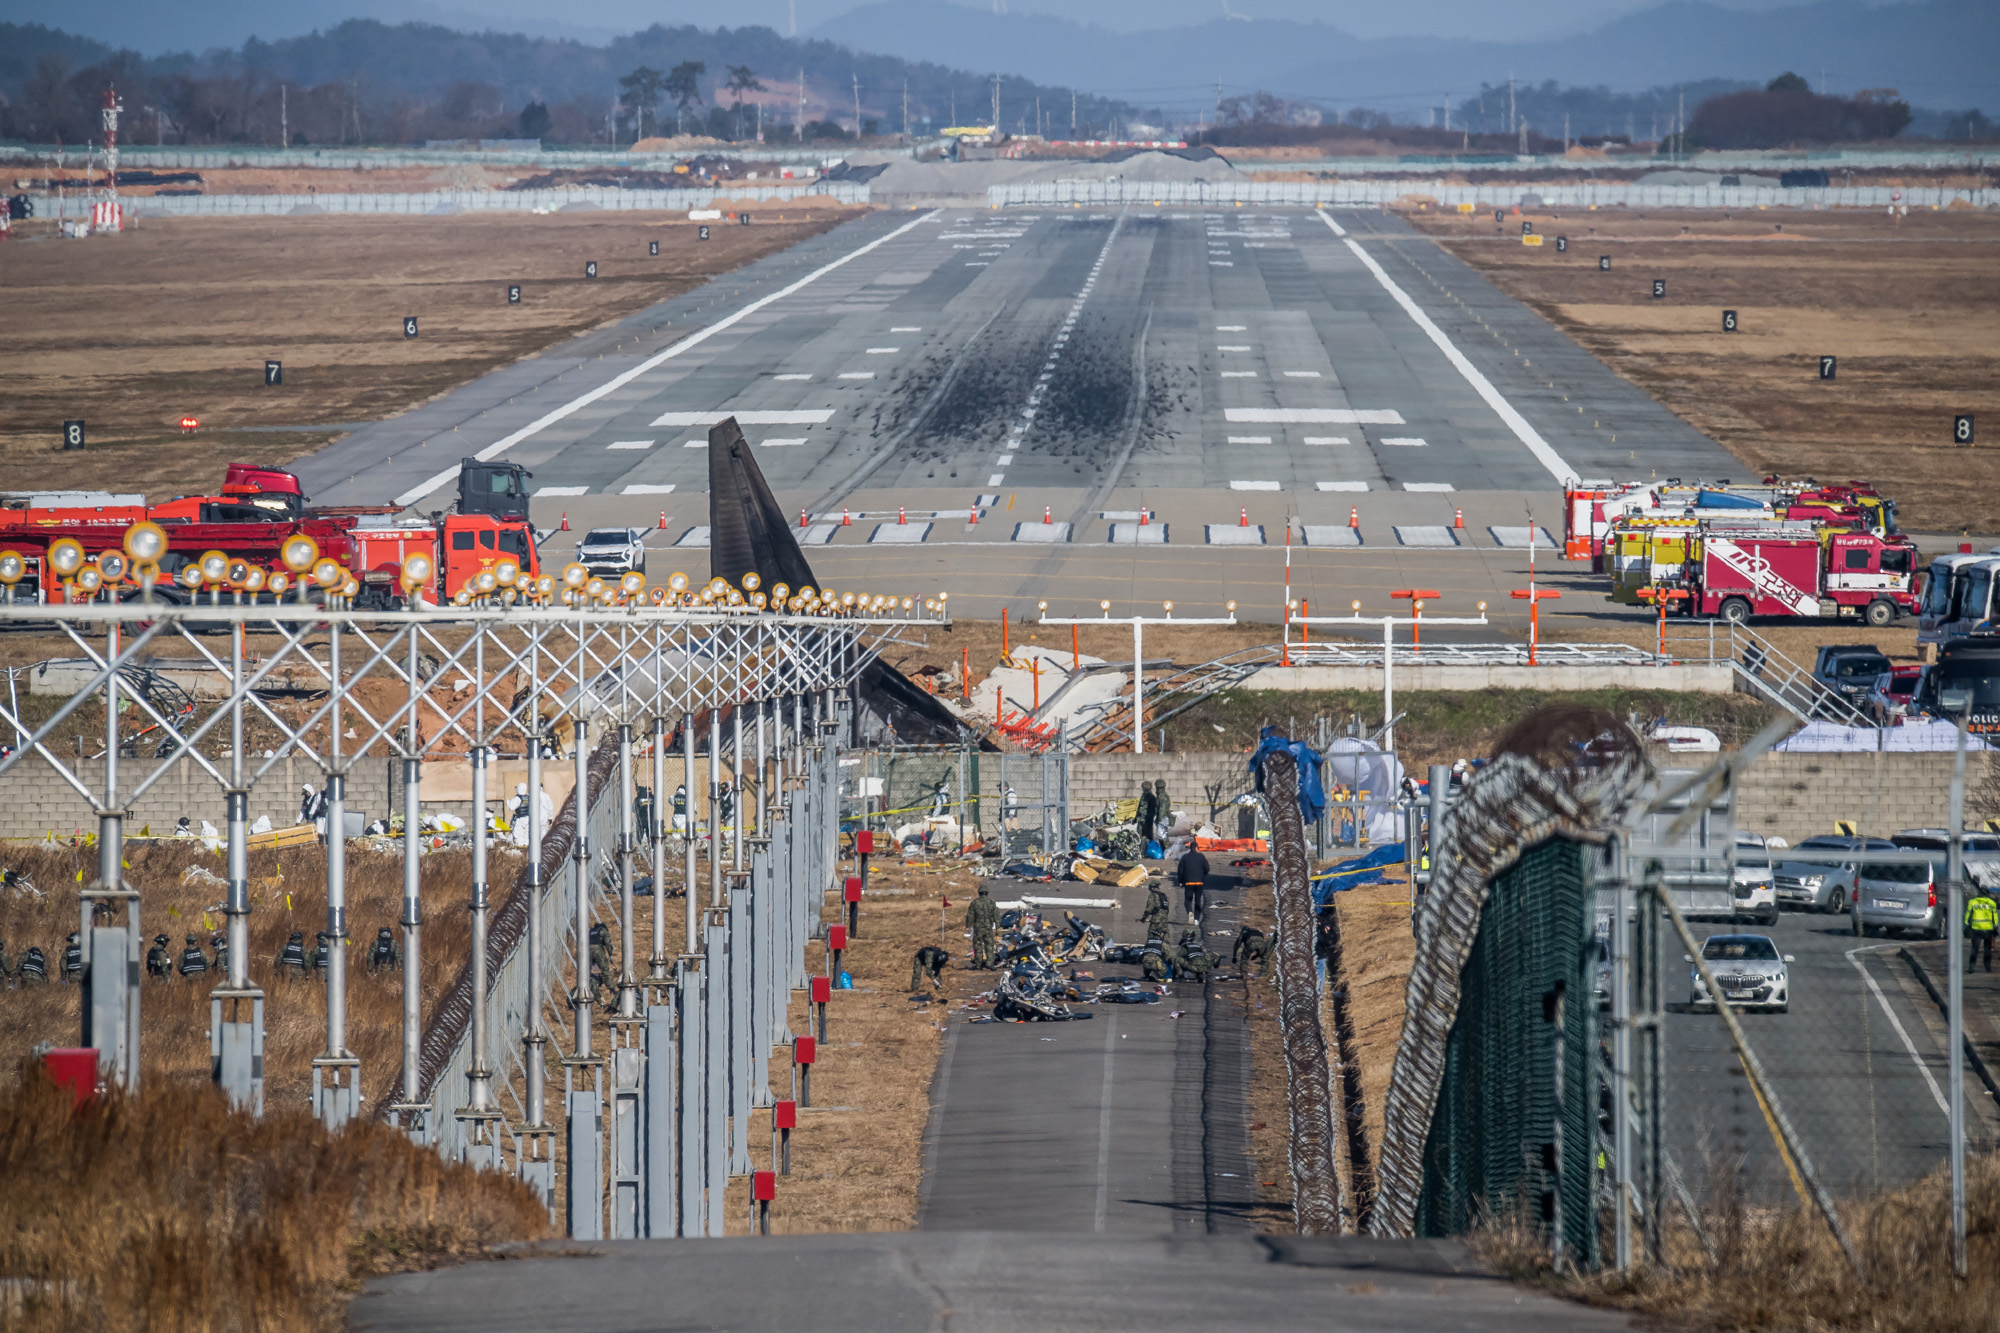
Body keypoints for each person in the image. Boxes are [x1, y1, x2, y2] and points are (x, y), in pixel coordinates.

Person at [965, 884, 1000, 969]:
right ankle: (990, 963)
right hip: (988, 927)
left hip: (978, 928)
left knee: (977, 946)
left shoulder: (975, 903)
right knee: (989, 946)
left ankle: (978, 964)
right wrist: (998, 926)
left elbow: (970, 915)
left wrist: (968, 925)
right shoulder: (991, 903)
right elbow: (996, 915)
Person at [1177, 845, 1211, 924]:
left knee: (1188, 900)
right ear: (1196, 848)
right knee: (1198, 900)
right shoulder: (1201, 856)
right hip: (1199, 882)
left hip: (1188, 882)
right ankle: (1196, 919)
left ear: (1190, 848)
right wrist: (1202, 876)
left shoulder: (1185, 857)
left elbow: (1180, 871)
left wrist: (1181, 881)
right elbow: (1207, 868)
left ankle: (1189, 911)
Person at [1969, 886, 1999, 973]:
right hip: (1988, 929)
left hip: (1976, 928)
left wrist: (1967, 924)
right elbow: (1995, 917)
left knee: (1974, 949)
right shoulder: (1992, 903)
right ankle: (1987, 967)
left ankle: (1971, 967)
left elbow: (1968, 915)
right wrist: (1995, 926)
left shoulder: (1973, 902)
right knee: (1987, 949)